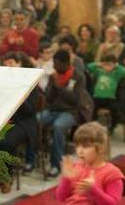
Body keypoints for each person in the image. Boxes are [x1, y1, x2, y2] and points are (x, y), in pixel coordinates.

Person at [41, 49, 88, 177]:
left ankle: (56, 165)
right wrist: (52, 88)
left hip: (70, 112)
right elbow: (49, 99)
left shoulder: (78, 76)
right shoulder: (53, 76)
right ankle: (34, 158)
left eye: (56, 64)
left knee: (58, 126)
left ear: (66, 63)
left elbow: (76, 100)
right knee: (36, 120)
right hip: (53, 110)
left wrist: (59, 88)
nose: (55, 67)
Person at [55, 122, 125, 204]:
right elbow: (60, 197)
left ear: (101, 148)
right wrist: (66, 178)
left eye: (85, 146)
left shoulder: (112, 173)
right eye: (77, 146)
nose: (79, 151)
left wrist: (92, 190)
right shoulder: (76, 167)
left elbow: (113, 203)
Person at [0, 52, 41, 174]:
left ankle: (6, 175)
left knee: (6, 142)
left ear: (19, 64)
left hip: (24, 123)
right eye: (6, 65)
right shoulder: (4, 83)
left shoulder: (31, 82)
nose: (9, 67)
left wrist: (19, 96)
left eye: (11, 63)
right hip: (7, 120)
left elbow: (30, 110)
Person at [88, 55, 125, 135]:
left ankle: (112, 126)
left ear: (114, 65)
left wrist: (117, 66)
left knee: (115, 111)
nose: (107, 67)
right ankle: (92, 126)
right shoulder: (99, 72)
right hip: (97, 97)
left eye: (109, 64)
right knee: (92, 109)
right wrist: (99, 64)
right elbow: (89, 67)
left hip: (110, 98)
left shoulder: (116, 74)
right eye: (105, 64)